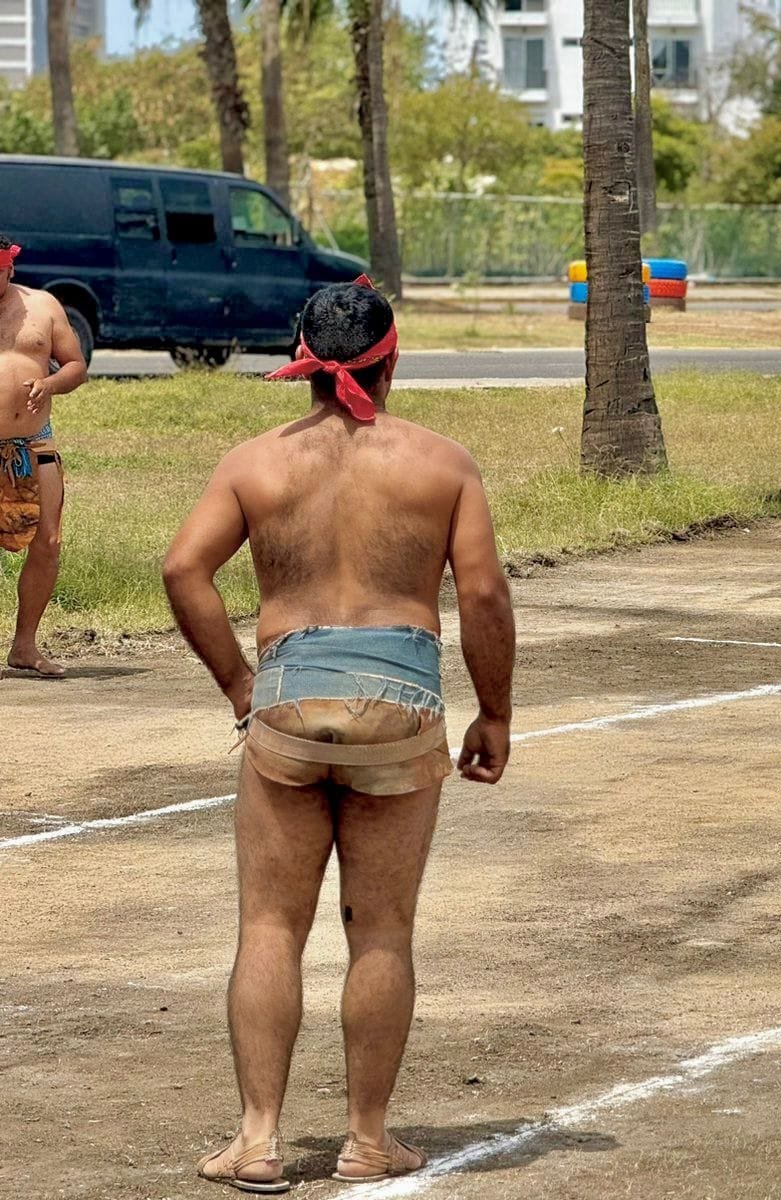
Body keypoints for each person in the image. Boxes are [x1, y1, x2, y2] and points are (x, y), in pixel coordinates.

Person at [163, 279, 516, 1191]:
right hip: (400, 703)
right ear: (391, 356)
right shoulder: (442, 463)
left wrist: (242, 683)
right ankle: (365, 1139)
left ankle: (259, 1138)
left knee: (270, 926)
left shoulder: (255, 462)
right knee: (384, 931)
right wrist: (496, 711)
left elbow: (182, 568)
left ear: (303, 358)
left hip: (286, 699)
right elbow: (480, 595)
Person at [1, 237, 87, 678]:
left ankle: (24, 645)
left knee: (48, 542)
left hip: (35, 443)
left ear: (9, 268)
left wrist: (50, 384)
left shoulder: (44, 306)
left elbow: (75, 365)